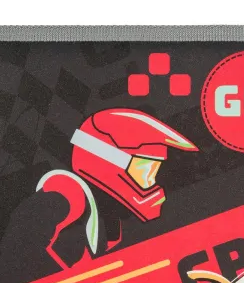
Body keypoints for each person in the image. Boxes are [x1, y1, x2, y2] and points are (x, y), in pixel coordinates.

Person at [35, 108, 198, 270]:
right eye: (145, 171)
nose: (152, 181)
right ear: (107, 161)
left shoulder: (110, 223)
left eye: (154, 172)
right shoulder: (65, 200)